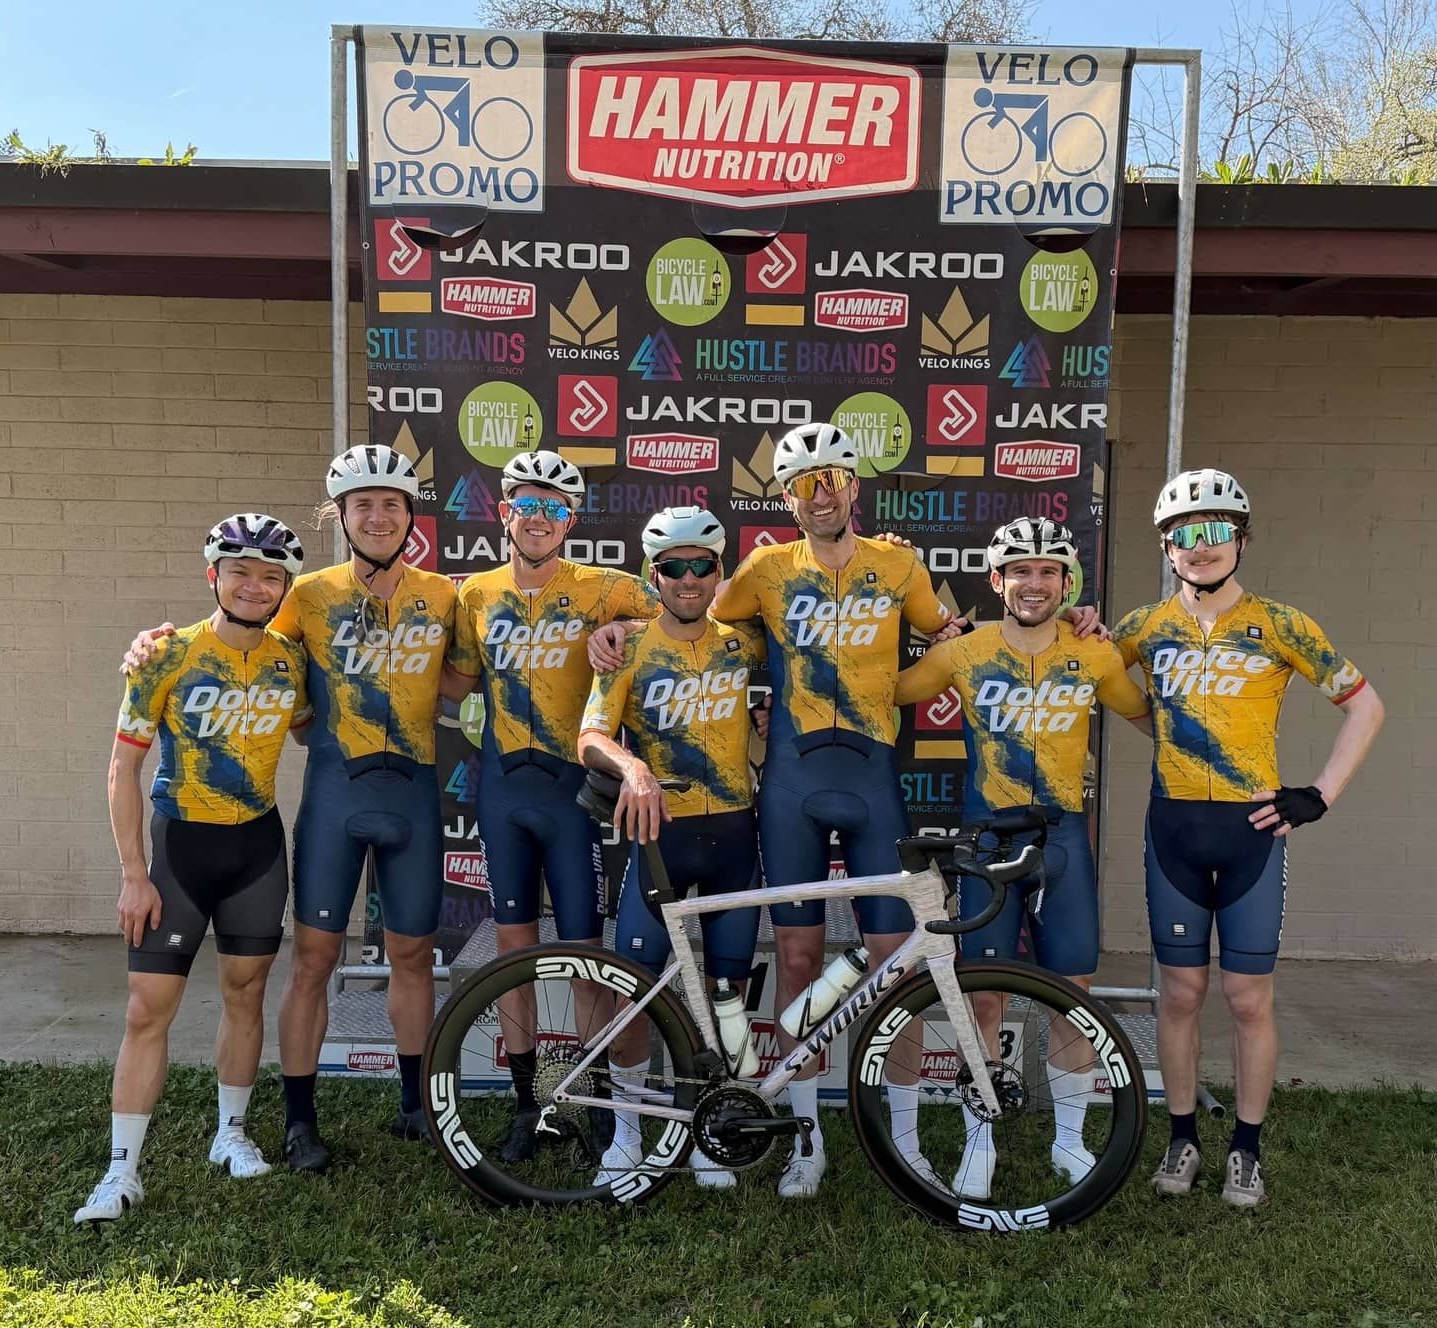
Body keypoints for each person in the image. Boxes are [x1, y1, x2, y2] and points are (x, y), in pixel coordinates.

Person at [591, 423, 963, 1197]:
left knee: (897, 966)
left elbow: (947, 632)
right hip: (790, 790)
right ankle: (805, 1142)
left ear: (854, 484)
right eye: (803, 484)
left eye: (832, 479)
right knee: (795, 960)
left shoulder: (900, 563)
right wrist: (618, 630)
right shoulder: (762, 570)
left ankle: (905, 1141)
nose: (820, 495)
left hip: (874, 784)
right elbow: (692, 612)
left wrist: (1071, 625)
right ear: (786, 499)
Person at [123, 445, 460, 1173]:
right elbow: (234, 640)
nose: (377, 516)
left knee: (412, 956)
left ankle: (416, 1105)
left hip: (414, 796)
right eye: (362, 505)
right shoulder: (303, 594)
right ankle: (299, 1121)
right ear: (340, 516)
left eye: (392, 504)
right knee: (313, 960)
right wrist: (153, 645)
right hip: (336, 796)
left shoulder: (444, 596)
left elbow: (471, 676)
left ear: (411, 517)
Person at [1114, 468, 1384, 1207]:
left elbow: (1366, 708)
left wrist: (1319, 794)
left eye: (1215, 531)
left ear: (1241, 539)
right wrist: (1168, 729)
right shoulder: (1143, 626)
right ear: (1166, 547)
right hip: (1173, 826)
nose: (1199, 546)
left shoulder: (1282, 624)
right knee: (1180, 993)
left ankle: (1246, 1149)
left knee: (1247, 999)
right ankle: (1182, 1139)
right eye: (1184, 534)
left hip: (1252, 833)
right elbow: (1099, 676)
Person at [893, 517, 1151, 1198]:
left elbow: (1154, 719)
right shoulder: (964, 652)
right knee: (984, 996)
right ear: (997, 580)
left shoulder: (1094, 655)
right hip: (988, 841)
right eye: (1020, 571)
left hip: (1062, 840)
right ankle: (979, 1139)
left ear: (1068, 583)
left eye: (1048, 572)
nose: (1034, 584)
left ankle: (1070, 1141)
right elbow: (881, 692)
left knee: (1074, 996)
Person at [77, 515, 310, 1223]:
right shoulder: (165, 654)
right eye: (240, 572)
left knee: (247, 993)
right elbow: (123, 767)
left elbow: (317, 726)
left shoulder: (291, 661)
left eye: (270, 576)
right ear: (214, 576)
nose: (255, 586)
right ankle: (120, 1172)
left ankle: (230, 1133)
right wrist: (133, 872)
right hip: (178, 850)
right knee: (147, 1009)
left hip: (257, 849)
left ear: (284, 589)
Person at [441, 450, 660, 1166]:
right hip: (504, 790)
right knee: (515, 953)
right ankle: (527, 1104)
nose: (540, 519)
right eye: (527, 505)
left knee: (585, 956)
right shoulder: (474, 595)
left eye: (555, 508)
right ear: (503, 512)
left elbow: (695, 614)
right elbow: (452, 678)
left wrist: (625, 632)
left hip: (572, 794)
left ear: (572, 520)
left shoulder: (606, 587)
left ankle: (593, 1101)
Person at [577, 506, 764, 1190]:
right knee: (633, 993)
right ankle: (627, 1136)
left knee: (727, 995)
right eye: (672, 567)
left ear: (719, 572)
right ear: (652, 575)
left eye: (701, 566)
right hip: (661, 839)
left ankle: (713, 1131)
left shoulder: (745, 642)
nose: (688, 579)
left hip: (735, 835)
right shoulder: (627, 648)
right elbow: (590, 735)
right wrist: (633, 767)